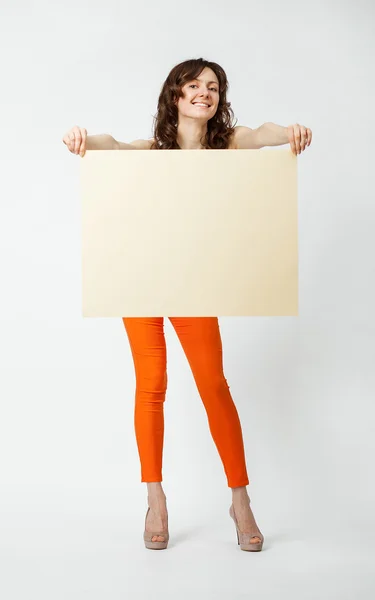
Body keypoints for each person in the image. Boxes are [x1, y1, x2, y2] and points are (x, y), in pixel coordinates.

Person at [62, 57, 312, 552]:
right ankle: (155, 498)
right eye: (193, 85)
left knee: (213, 384)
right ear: (174, 96)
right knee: (150, 385)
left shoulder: (228, 145)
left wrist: (292, 131)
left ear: (219, 99)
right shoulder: (152, 151)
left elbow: (264, 133)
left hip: (192, 282)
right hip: (140, 279)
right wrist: (82, 138)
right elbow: (110, 146)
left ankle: (240, 500)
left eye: (213, 86)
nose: (204, 92)